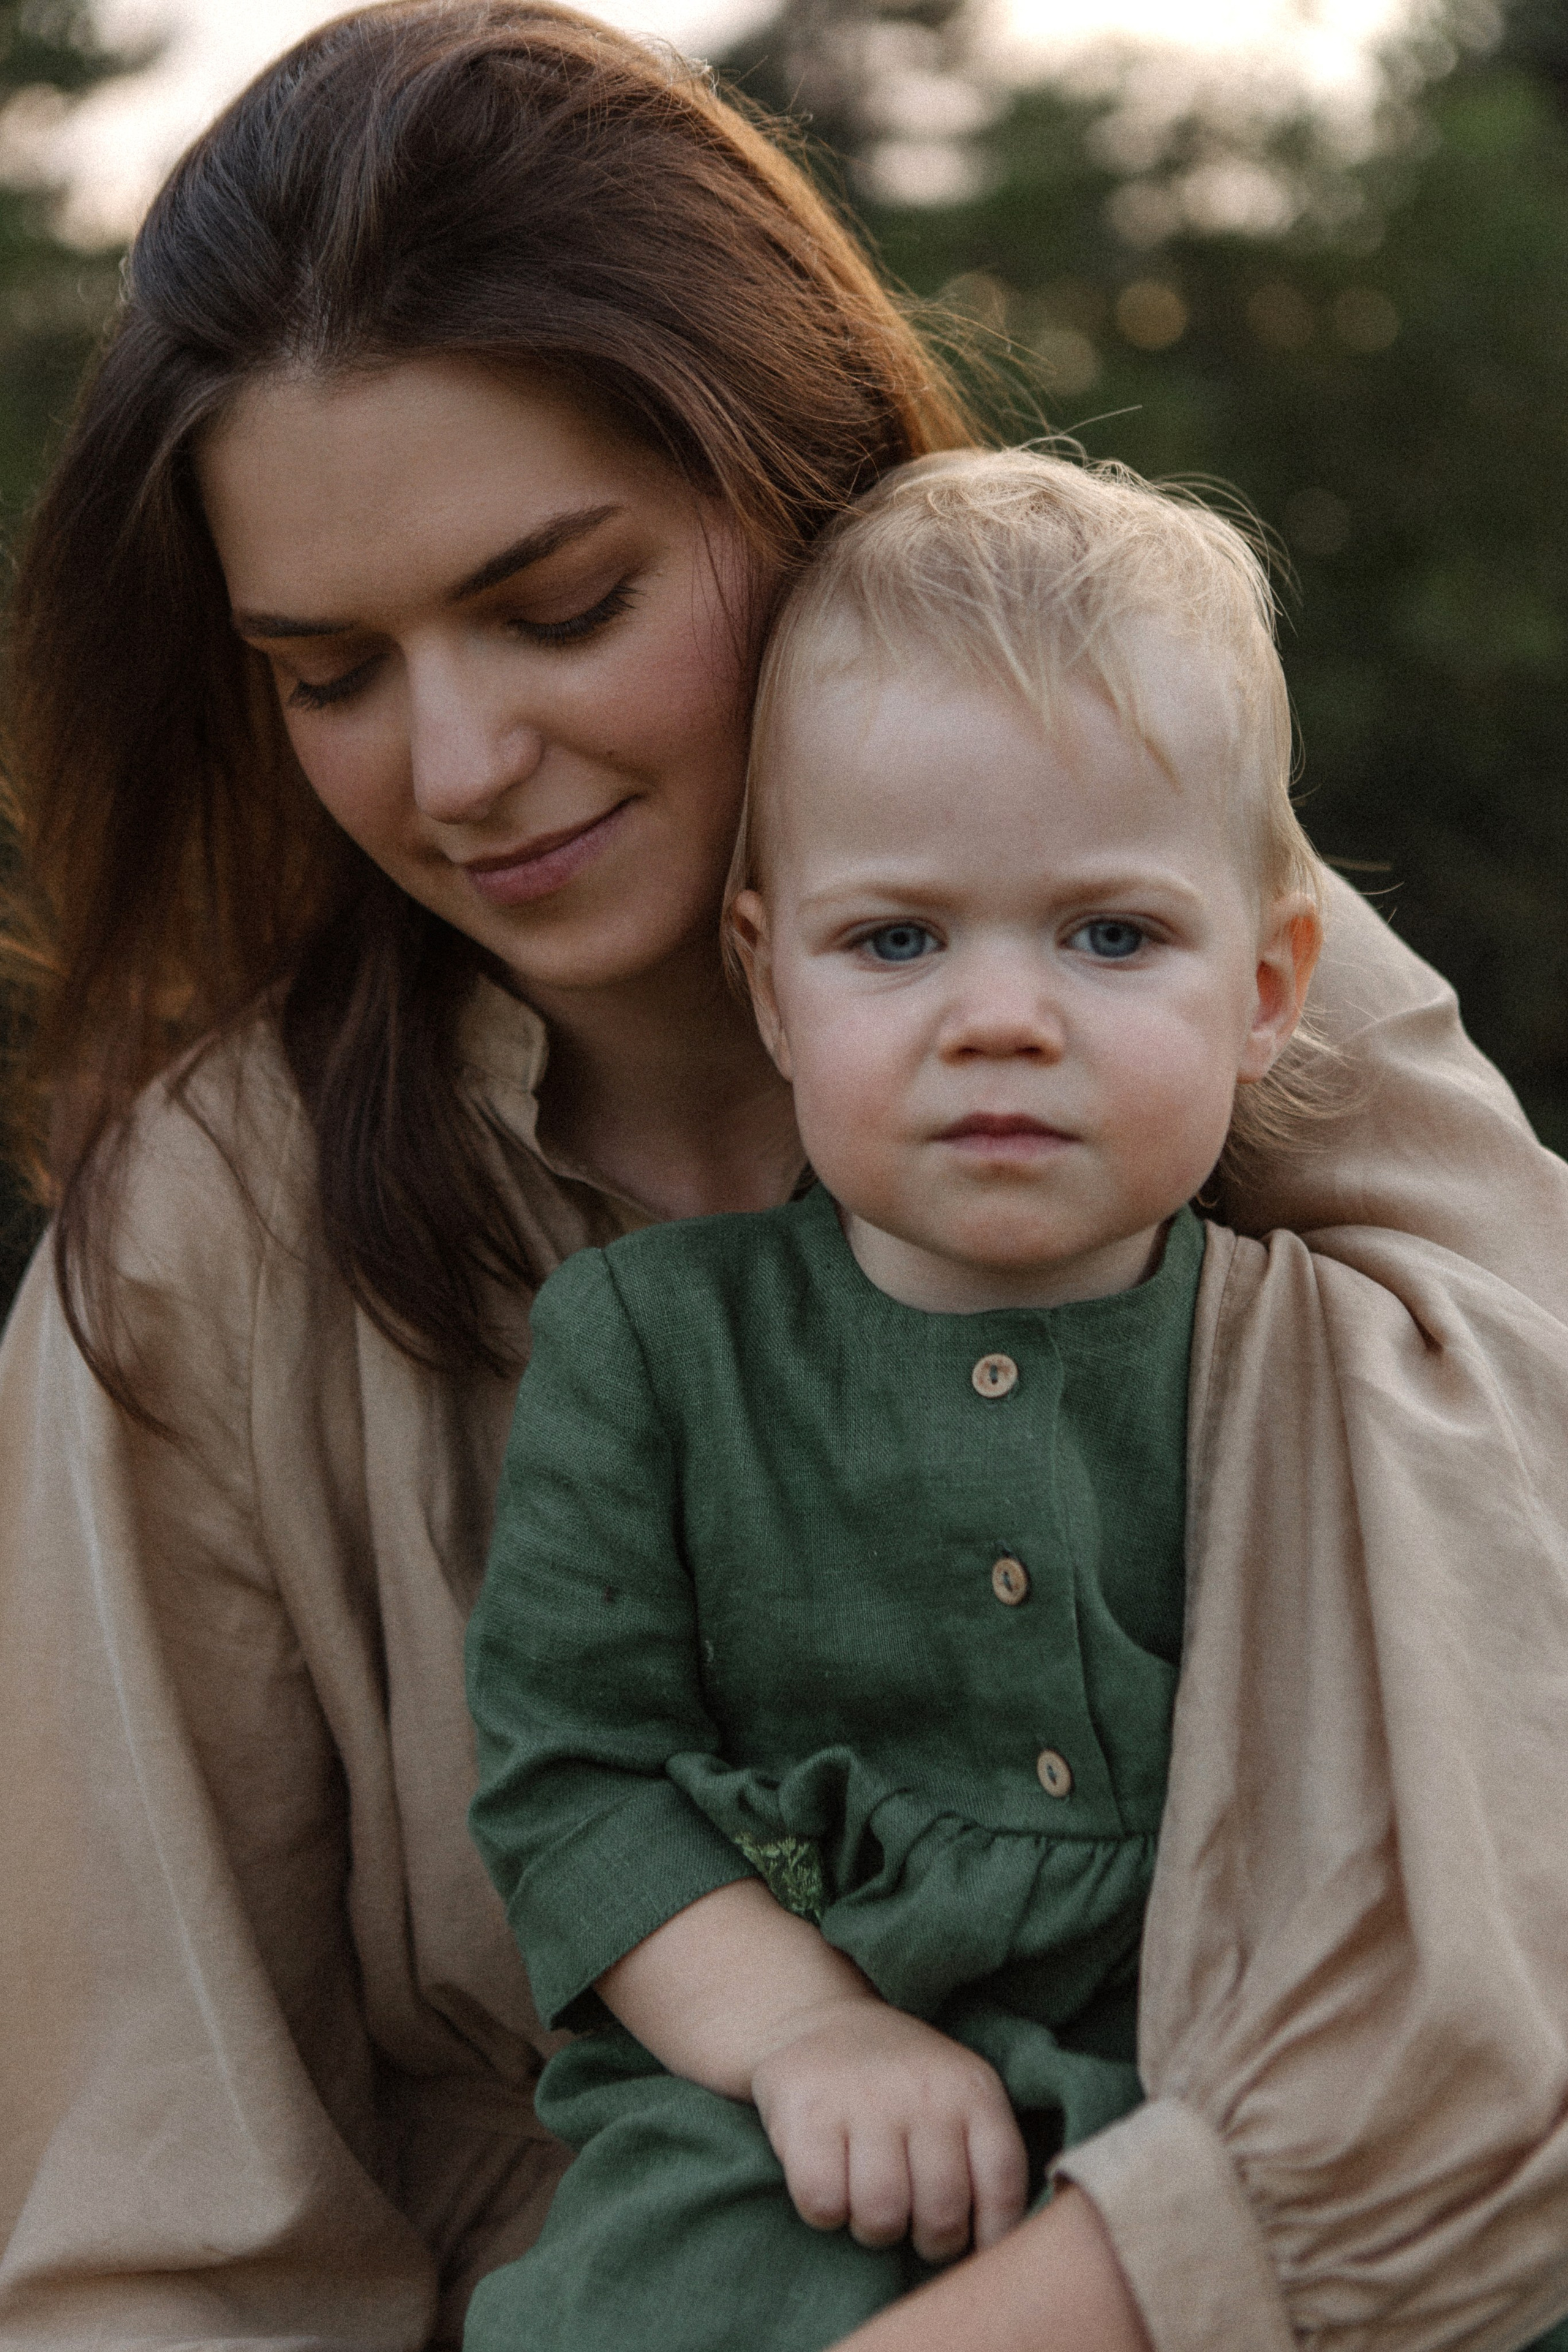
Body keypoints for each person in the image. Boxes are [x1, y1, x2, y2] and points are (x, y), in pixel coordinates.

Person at [0, 4, 1566, 2348]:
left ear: (804, 488)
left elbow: (1508, 1936)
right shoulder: (209, 1243)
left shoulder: (1208, 998)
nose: (458, 767)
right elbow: (163, 2226)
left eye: (561, 607)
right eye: (328, 671)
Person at [463, 448, 1568, 2352]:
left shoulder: (1331, 1368)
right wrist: (807, 2034)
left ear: (1270, 987)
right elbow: (578, 1783)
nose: (1001, 1017)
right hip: (782, 2133)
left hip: (1229, 2090)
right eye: (896, 940)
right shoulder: (650, 1351)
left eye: (1111, 936)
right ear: (773, 985)